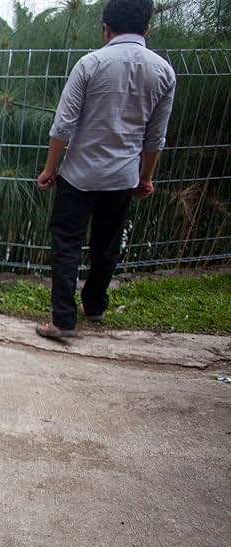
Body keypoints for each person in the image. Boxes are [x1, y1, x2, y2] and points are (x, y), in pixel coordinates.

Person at [35, 0, 176, 339]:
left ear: (105, 28)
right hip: (122, 177)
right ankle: (95, 306)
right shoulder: (163, 72)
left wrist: (50, 169)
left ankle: (64, 320)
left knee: (67, 244)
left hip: (79, 175)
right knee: (107, 245)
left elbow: (63, 125)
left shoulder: (90, 64)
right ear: (146, 28)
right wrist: (145, 177)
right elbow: (155, 136)